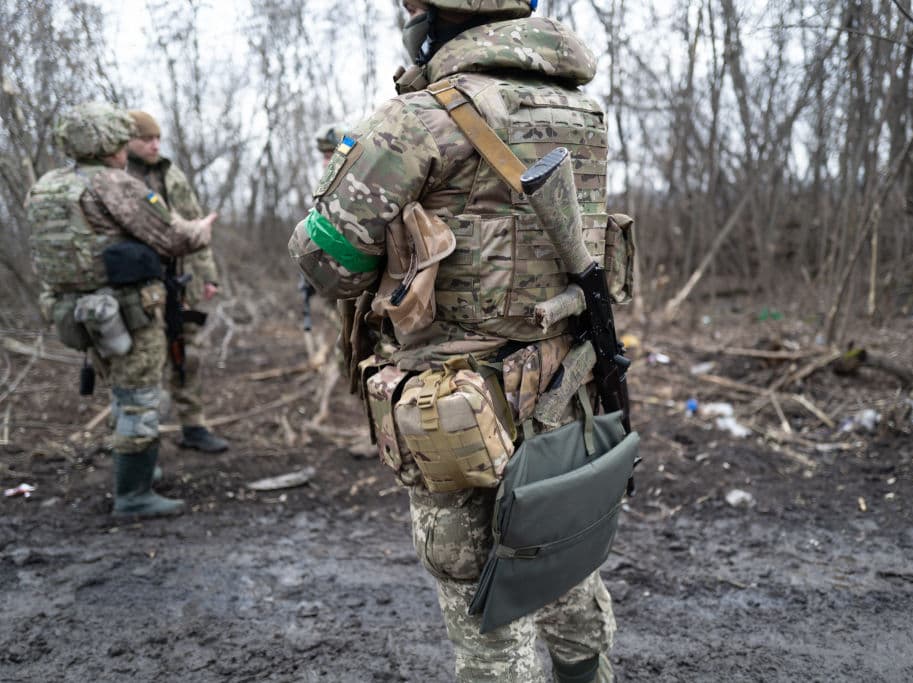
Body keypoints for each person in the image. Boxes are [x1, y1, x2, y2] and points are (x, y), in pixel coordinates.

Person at [289, 2, 623, 680]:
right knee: (560, 544)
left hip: (461, 398)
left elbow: (329, 262)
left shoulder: (419, 116)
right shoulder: (581, 110)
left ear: (426, 15)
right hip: (565, 375)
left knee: (478, 590)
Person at [27, 101, 217, 516]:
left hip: (77, 311)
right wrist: (200, 231)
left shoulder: (48, 185)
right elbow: (171, 237)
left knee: (121, 391)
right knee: (138, 395)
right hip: (128, 310)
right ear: (109, 142)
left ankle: (139, 475)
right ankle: (134, 494)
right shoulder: (114, 183)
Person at [125, 110, 228, 453]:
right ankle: (141, 440)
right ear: (129, 142)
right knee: (144, 361)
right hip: (138, 286)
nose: (155, 145)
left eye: (158, 138)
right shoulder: (118, 178)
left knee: (188, 354)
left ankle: (193, 426)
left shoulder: (172, 175)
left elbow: (197, 226)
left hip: (179, 282)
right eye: (146, 139)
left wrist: (207, 275)